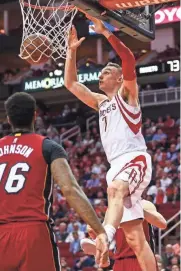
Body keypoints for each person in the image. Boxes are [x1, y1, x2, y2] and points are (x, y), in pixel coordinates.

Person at [64, 16, 157, 270]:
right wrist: (71, 52)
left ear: (119, 79)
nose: (101, 75)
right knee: (137, 240)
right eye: (101, 72)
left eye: (107, 72)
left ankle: (105, 237)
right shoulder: (101, 102)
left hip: (135, 158)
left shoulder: (127, 95)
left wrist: (105, 32)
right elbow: (71, 84)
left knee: (115, 190)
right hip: (115, 165)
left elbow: (127, 58)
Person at [0, 92, 109, 271]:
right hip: (33, 232)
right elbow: (70, 189)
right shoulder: (48, 146)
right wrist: (100, 231)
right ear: (35, 115)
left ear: (8, 119)